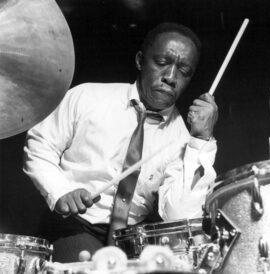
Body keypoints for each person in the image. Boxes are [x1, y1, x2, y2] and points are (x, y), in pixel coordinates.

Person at [23, 22, 218, 262]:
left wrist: (201, 140)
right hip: (73, 225)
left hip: (132, 241)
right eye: (162, 63)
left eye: (184, 71)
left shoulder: (182, 140)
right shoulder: (87, 97)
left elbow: (178, 215)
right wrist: (61, 191)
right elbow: (40, 145)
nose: (170, 77)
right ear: (139, 60)